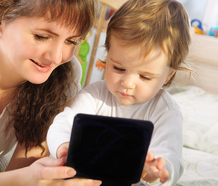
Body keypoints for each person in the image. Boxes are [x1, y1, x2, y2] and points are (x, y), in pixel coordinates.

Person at [47, 0, 191, 185]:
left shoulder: (165, 112)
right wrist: (64, 146)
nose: (128, 83)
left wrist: (157, 171)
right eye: (118, 68)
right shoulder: (94, 95)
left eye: (145, 77)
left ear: (168, 76)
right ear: (108, 56)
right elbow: (61, 125)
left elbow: (172, 160)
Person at [0, 0, 102, 185]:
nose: (56, 57)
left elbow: (21, 175)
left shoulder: (64, 75)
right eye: (41, 36)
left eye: (71, 41)